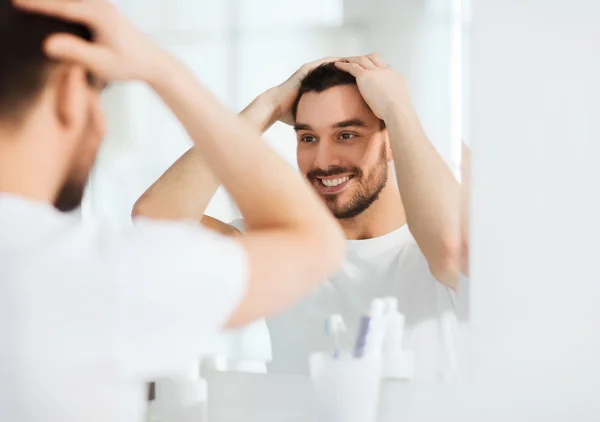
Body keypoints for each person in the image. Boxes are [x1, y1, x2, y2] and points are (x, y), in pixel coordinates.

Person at [0, 0, 346, 421]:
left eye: (347, 134)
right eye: (101, 91)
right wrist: (160, 69)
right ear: (72, 89)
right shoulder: (95, 275)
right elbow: (313, 242)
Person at [134, 55, 469, 382]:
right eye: (308, 138)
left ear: (392, 140)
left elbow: (449, 247)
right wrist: (268, 105)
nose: (323, 161)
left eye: (346, 135)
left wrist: (398, 109)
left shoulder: (434, 245)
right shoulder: (287, 248)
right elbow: (157, 220)